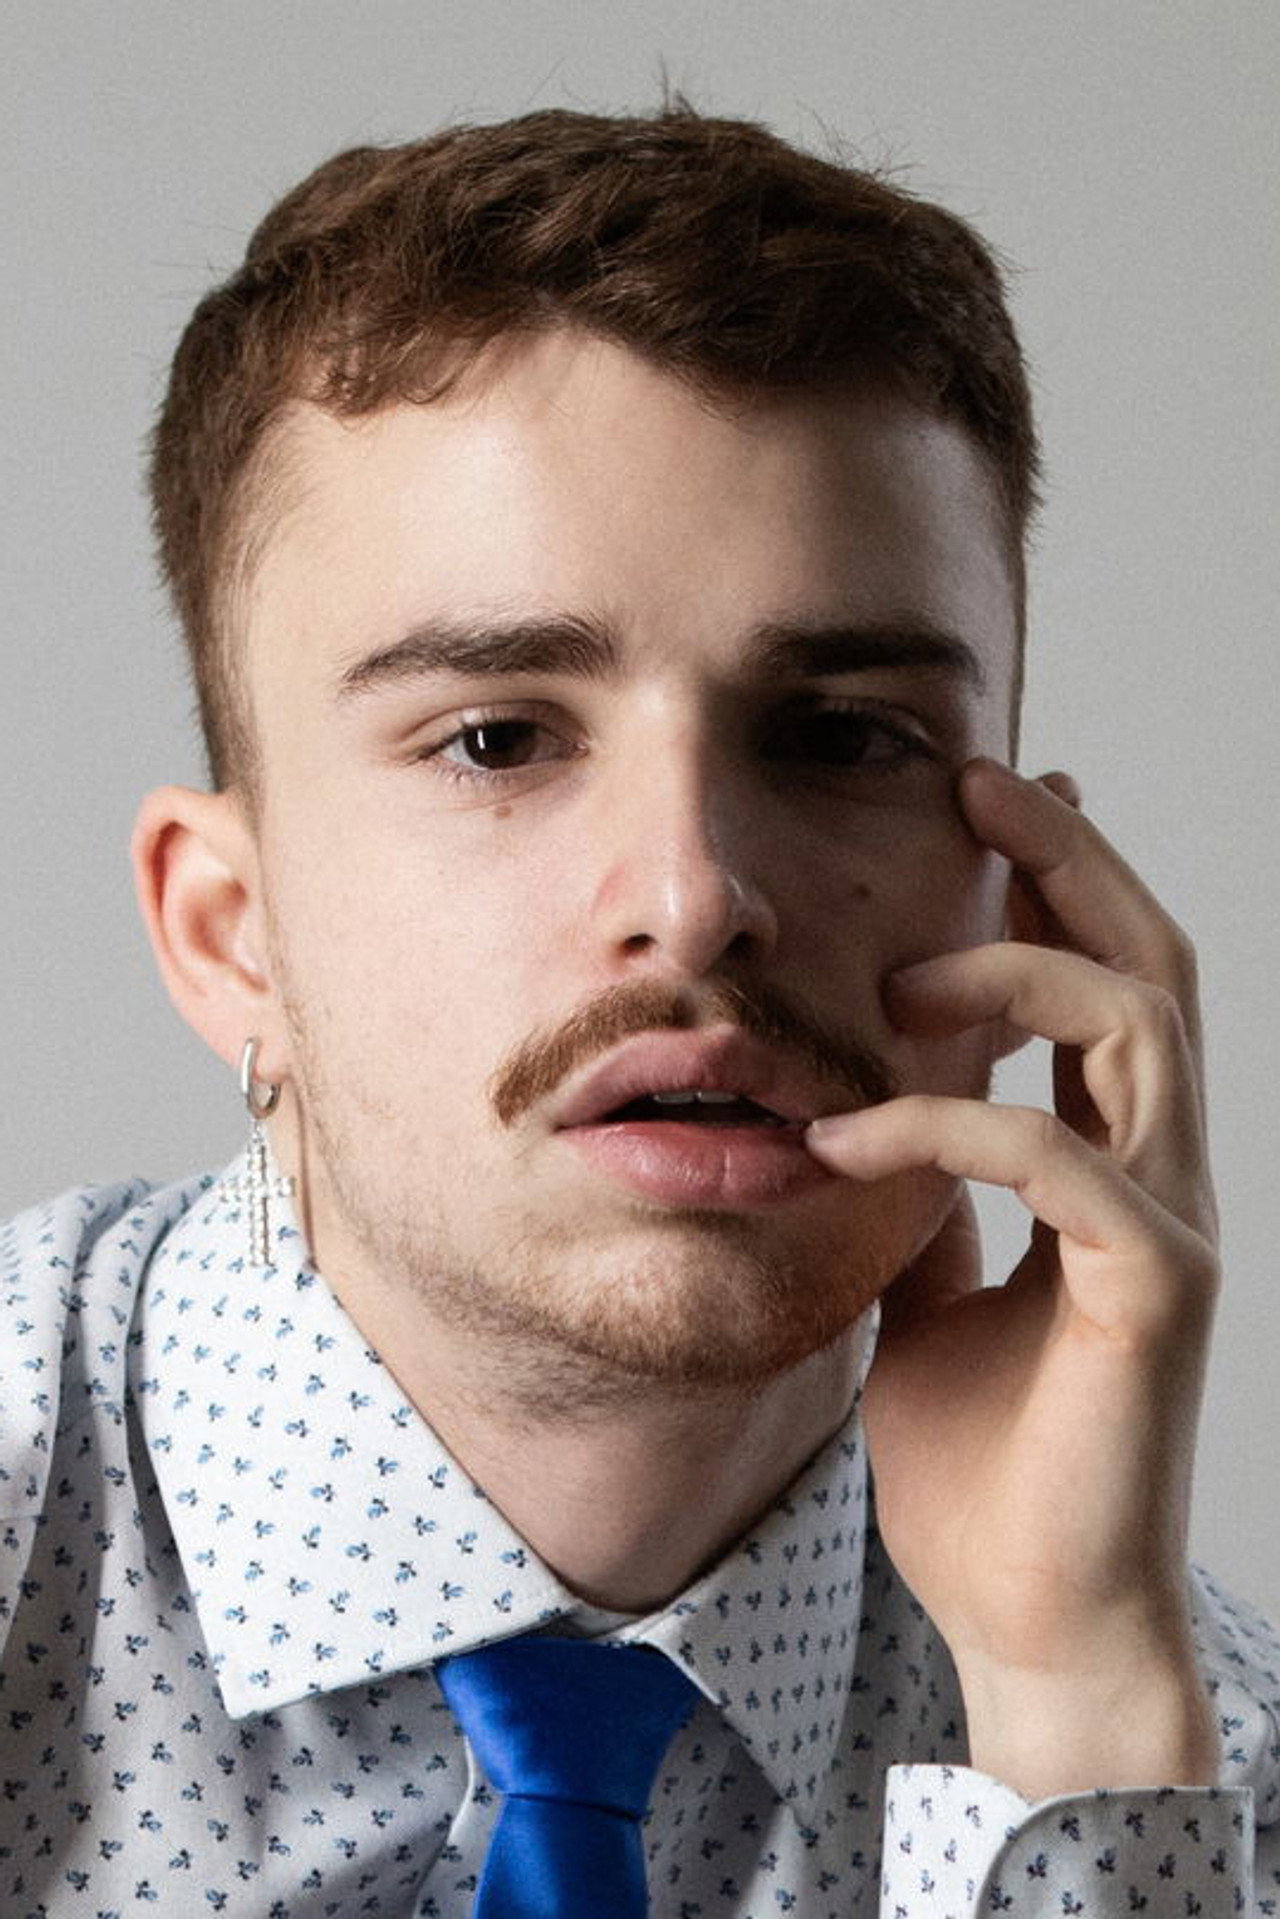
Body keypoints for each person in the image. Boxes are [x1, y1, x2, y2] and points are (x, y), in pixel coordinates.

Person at [1, 103, 1276, 1919]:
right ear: (229, 933)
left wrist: (1068, 1703)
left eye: (842, 737)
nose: (693, 897)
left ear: (1032, 895)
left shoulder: (1182, 1775)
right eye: (497, 739)